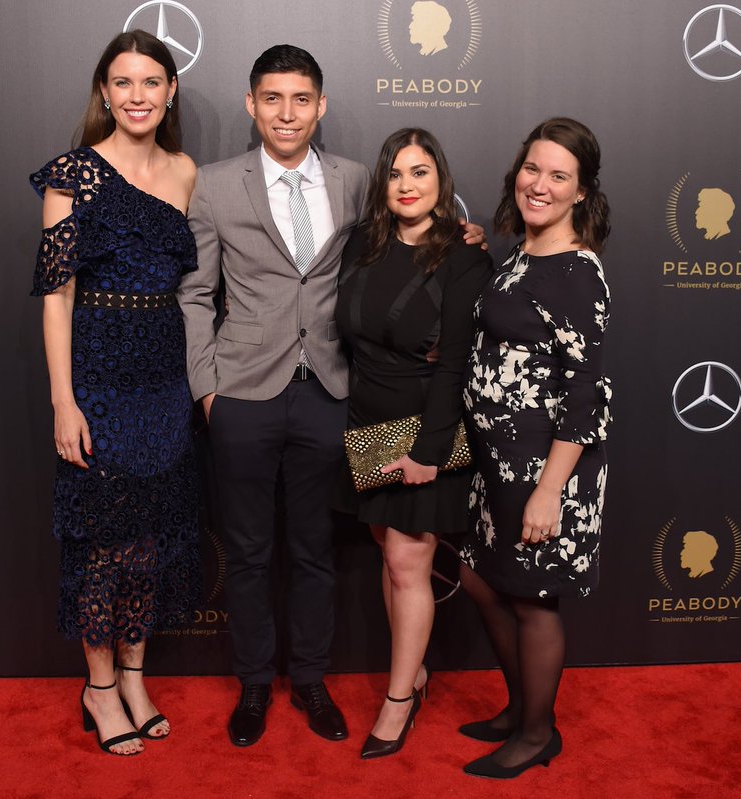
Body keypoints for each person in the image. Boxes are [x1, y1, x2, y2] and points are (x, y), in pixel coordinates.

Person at [177, 45, 484, 748]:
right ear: (253, 105)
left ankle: (310, 679)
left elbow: (414, 236)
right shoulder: (217, 184)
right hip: (243, 395)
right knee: (249, 552)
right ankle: (255, 683)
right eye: (273, 99)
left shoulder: (357, 183)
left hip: (333, 393)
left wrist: (463, 235)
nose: (288, 113)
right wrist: (209, 391)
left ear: (321, 106)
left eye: (302, 99)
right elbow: (195, 294)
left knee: (316, 549)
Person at [30, 30, 200, 757]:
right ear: (105, 91)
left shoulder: (187, 171)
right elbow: (55, 298)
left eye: (151, 82)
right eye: (123, 83)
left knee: (152, 536)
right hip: (97, 371)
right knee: (102, 540)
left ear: (170, 92)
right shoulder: (73, 174)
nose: (137, 96)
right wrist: (63, 402)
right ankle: (99, 687)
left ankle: (134, 674)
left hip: (165, 374)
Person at [459, 117, 612, 779]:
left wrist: (550, 489)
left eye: (558, 175)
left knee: (533, 598)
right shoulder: (522, 252)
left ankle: (537, 734)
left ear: (581, 192)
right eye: (532, 168)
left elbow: (588, 395)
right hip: (496, 463)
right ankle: (520, 708)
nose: (539, 184)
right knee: (481, 579)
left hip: (546, 468)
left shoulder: (578, 272)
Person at [335, 128, 491, 759]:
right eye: (396, 174)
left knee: (408, 564)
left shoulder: (464, 255)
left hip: (425, 427)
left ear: (441, 181)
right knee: (388, 555)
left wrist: (428, 452)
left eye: (420, 172)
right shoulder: (363, 243)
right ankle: (414, 675)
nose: (407, 185)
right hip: (366, 422)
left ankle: (400, 698)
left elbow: (456, 363)